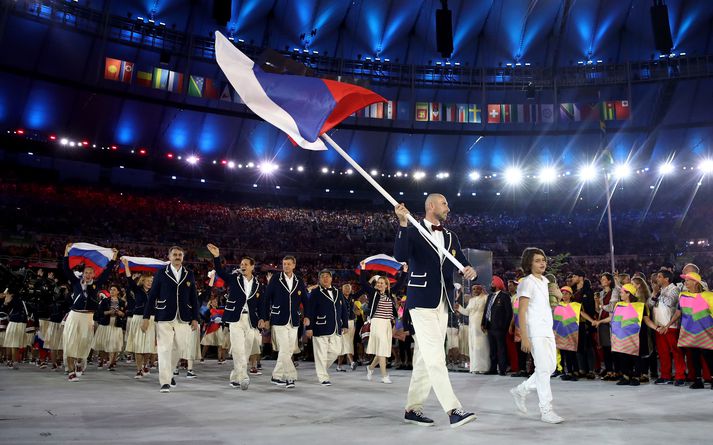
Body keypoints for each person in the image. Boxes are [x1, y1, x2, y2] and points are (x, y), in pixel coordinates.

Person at [394, 194, 478, 428]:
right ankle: (453, 409)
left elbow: (460, 262)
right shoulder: (412, 229)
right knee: (435, 356)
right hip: (420, 301)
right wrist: (402, 223)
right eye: (444, 204)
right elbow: (399, 256)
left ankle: (413, 408)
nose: (448, 208)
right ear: (431, 206)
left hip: (443, 302)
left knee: (424, 356)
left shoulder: (451, 236)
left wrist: (470, 270)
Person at [510, 247, 564, 424]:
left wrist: (558, 295)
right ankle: (546, 410)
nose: (542, 263)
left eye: (543, 260)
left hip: (547, 330)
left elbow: (547, 306)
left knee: (550, 368)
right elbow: (522, 311)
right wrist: (524, 336)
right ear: (529, 263)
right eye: (537, 260)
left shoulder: (545, 282)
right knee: (542, 370)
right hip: (535, 331)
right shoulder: (526, 282)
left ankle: (521, 390)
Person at [142, 246, 200, 393]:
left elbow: (193, 297)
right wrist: (146, 317)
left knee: (179, 348)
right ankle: (165, 381)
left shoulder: (189, 274)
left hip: (184, 316)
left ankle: (170, 371)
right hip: (164, 315)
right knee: (164, 348)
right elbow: (152, 296)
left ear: (183, 257)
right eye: (175, 254)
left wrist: (195, 318)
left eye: (180, 254)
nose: (177, 257)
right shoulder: (161, 273)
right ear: (169, 256)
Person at [207, 244, 262, 390]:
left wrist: (263, 318)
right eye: (241, 264)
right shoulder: (234, 279)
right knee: (238, 349)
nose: (242, 266)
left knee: (247, 349)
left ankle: (235, 377)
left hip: (250, 320)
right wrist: (216, 256)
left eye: (245, 264)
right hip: (235, 319)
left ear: (252, 267)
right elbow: (220, 271)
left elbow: (261, 303)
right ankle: (243, 377)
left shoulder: (257, 283)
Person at [62, 243, 117, 382]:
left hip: (88, 317)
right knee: (71, 342)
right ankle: (71, 371)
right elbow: (66, 269)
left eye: (90, 273)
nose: (88, 275)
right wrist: (66, 252)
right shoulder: (75, 282)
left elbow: (107, 271)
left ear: (94, 274)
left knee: (85, 343)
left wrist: (114, 257)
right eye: (86, 272)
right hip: (75, 315)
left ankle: (80, 362)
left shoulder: (97, 284)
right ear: (83, 273)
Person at [260, 255, 307, 389]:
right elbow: (266, 298)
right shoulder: (276, 279)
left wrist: (307, 315)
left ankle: (276, 376)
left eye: (288, 264)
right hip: (279, 319)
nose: (285, 266)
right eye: (284, 264)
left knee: (288, 350)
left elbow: (305, 299)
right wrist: (266, 318)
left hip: (294, 320)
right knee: (285, 348)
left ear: (294, 265)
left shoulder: (299, 280)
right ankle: (290, 377)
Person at [595, 283, 654, 386]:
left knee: (635, 356)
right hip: (621, 336)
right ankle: (626, 376)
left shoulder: (640, 306)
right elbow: (612, 318)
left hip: (635, 336)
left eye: (622, 292)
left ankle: (636, 377)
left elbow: (647, 320)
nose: (620, 294)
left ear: (628, 293)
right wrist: (600, 322)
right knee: (622, 355)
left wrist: (657, 328)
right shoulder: (618, 305)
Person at [359, 262, 407, 384]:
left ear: (386, 284)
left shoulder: (390, 294)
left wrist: (405, 271)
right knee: (382, 349)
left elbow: (400, 283)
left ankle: (370, 368)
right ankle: (384, 375)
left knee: (383, 350)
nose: (379, 284)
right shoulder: (373, 293)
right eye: (378, 282)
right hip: (377, 322)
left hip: (387, 324)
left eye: (382, 283)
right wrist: (363, 269)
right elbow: (363, 283)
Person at [305, 269, 349, 385]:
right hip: (319, 326)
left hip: (335, 327)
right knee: (320, 353)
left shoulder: (337, 292)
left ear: (331, 278)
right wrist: (308, 327)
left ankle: (321, 369)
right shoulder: (315, 292)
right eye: (322, 276)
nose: (325, 278)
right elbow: (309, 311)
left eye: (327, 276)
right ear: (319, 279)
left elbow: (343, 309)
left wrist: (345, 324)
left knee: (336, 351)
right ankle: (323, 377)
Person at [673, 272, 713, 390]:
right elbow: (678, 313)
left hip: (707, 332)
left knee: (709, 356)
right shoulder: (683, 296)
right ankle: (697, 380)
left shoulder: (709, 296)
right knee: (694, 357)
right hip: (690, 332)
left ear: (696, 282)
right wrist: (667, 324)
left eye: (688, 280)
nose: (685, 282)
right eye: (685, 280)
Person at [121, 259, 156, 379]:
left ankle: (145, 364)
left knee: (148, 347)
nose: (150, 283)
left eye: (151, 281)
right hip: (138, 319)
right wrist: (126, 265)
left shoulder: (155, 292)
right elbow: (129, 280)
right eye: (148, 281)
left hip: (151, 320)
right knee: (138, 346)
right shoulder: (137, 290)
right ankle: (139, 369)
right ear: (143, 281)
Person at [652, 269, 685, 386]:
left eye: (660, 277)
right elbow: (650, 304)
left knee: (676, 352)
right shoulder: (659, 291)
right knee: (662, 352)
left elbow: (670, 302)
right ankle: (665, 376)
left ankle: (680, 376)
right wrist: (655, 293)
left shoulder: (674, 289)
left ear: (667, 279)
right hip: (659, 325)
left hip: (671, 325)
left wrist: (658, 294)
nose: (657, 279)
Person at [455, 284, 489, 373]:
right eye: (473, 289)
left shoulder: (486, 298)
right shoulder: (471, 300)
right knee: (473, 346)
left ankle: (484, 368)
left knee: (481, 346)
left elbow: (488, 312)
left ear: (481, 289)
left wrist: (486, 324)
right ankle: (475, 368)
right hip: (472, 327)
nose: (475, 290)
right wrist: (459, 308)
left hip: (481, 326)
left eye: (477, 288)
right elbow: (467, 312)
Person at [482, 276, 512, 376]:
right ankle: (493, 368)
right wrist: (483, 323)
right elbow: (486, 310)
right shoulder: (490, 296)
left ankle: (502, 369)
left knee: (501, 349)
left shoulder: (504, 296)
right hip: (489, 326)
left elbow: (509, 313)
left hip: (500, 328)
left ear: (498, 283)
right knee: (492, 349)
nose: (491, 284)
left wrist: (505, 326)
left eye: (493, 282)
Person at [92, 284, 126, 371]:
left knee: (114, 344)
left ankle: (111, 363)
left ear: (118, 291)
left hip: (116, 324)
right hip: (105, 324)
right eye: (111, 289)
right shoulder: (105, 301)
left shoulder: (122, 302)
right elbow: (100, 313)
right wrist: (109, 312)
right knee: (103, 344)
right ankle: (102, 361)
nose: (112, 291)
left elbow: (124, 313)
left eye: (114, 289)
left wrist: (120, 313)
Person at [336, 283, 358, 372]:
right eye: (345, 288)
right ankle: (352, 362)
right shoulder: (338, 297)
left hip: (352, 322)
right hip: (342, 322)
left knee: (344, 344)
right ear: (342, 289)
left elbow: (363, 289)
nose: (347, 290)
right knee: (346, 341)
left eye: (349, 288)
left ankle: (339, 366)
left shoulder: (352, 297)